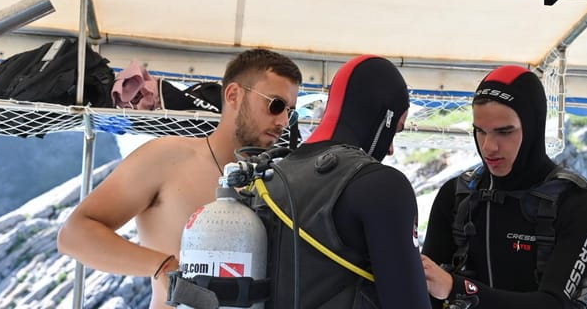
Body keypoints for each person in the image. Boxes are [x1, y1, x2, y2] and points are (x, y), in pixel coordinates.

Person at [56, 48, 303, 309]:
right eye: (275, 105)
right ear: (233, 95)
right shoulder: (168, 157)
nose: (283, 121)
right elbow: (74, 234)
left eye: (290, 111)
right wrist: (163, 266)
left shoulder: (279, 180)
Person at [420, 65, 587, 308]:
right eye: (480, 131)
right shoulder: (457, 196)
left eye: (504, 132)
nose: (489, 147)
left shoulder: (579, 203)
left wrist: (457, 288)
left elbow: (556, 304)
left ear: (533, 128)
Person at [260, 55, 431, 308]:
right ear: (384, 118)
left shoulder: (270, 177)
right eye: (395, 129)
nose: (391, 149)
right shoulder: (381, 185)